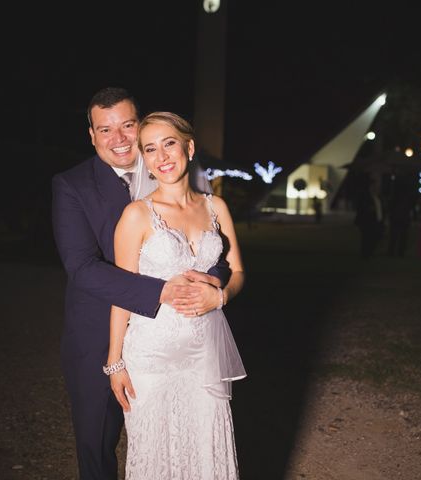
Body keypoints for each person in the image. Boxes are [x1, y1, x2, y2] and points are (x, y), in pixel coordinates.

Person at [51, 88, 231, 480]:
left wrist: (211, 283)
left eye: (127, 125)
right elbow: (81, 267)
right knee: (98, 445)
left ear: (140, 126)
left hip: (184, 337)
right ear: (92, 135)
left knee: (183, 441)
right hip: (100, 332)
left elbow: (210, 246)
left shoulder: (170, 168)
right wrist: (160, 291)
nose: (118, 139)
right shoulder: (72, 185)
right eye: (105, 129)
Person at [106, 112, 246, 479]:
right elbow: (123, 293)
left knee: (205, 452)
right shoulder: (136, 215)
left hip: (205, 353)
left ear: (189, 146)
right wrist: (115, 363)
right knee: (155, 456)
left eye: (169, 143)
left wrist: (221, 297)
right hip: (152, 356)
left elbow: (238, 272)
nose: (162, 156)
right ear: (144, 160)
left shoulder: (217, 208)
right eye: (150, 149)